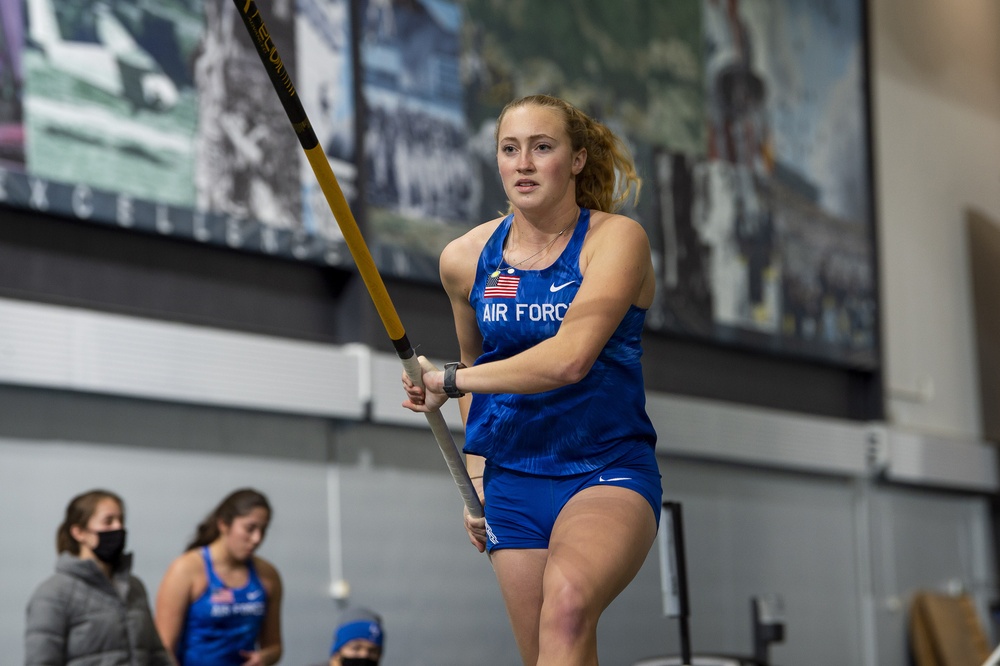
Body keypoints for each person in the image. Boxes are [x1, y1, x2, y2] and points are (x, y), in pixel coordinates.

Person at [402, 93, 662, 665]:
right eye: (510, 149)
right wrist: (475, 482)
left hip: (605, 469)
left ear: (575, 160)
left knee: (567, 606)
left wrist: (449, 381)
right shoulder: (465, 259)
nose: (523, 163)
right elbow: (476, 367)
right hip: (512, 480)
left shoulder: (616, 241)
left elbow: (569, 358)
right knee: (549, 652)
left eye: (542, 148)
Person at [24, 489, 173, 666]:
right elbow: (41, 661)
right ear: (79, 532)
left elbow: (156, 655)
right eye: (108, 521)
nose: (118, 528)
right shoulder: (53, 594)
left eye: (121, 520)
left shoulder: (134, 587)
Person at [155, 488, 283, 666]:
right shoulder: (186, 569)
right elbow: (163, 650)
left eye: (263, 530)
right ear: (223, 524)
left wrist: (264, 657)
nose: (256, 539)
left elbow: (275, 646)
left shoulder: (268, 575)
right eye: (250, 528)